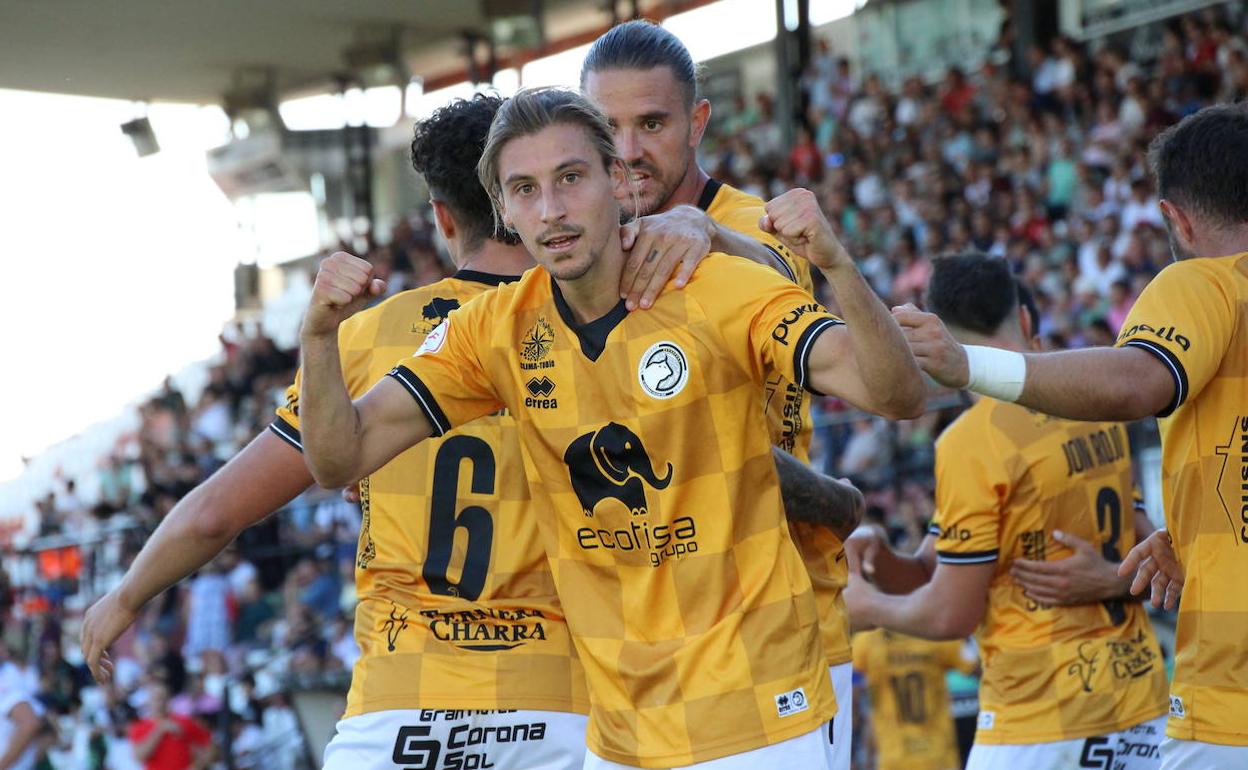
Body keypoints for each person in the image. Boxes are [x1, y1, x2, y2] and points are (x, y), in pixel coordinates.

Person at [81, 94, 861, 769]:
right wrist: (835, 497)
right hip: (569, 699)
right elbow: (731, 466)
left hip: (403, 701)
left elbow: (222, 509)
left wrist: (125, 596)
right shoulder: (615, 309)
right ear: (515, 198)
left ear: (443, 215)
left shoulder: (374, 339)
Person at [296, 87, 924, 768]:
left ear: (616, 181)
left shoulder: (712, 286)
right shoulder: (494, 330)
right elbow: (340, 459)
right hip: (619, 735)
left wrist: (833, 262)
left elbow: (893, 393)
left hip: (754, 707)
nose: (553, 210)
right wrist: (319, 335)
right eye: (525, 189)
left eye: (570, 179)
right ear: (503, 211)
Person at [893, 103, 1248, 769]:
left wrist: (968, 366)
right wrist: (1193, 547)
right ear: (1027, 317)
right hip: (1136, 698)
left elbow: (1138, 382)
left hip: (1181, 706)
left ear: (1175, 219)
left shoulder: (1203, 282)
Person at [581, 23, 860, 766]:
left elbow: (779, 265)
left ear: (697, 122)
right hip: (642, 655)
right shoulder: (586, 249)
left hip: (778, 635)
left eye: (652, 123)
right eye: (608, 128)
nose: (630, 150)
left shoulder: (746, 226)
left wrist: (706, 230)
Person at [846, 255, 1168, 769]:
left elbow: (952, 613)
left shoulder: (973, 441)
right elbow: (937, 572)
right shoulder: (1095, 407)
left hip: (1038, 719)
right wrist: (881, 560)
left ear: (938, 342)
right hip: (1139, 706)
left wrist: (866, 609)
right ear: (1023, 318)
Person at [851, 629, 977, 770]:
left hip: (894, 756)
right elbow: (976, 667)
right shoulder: (935, 632)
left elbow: (852, 699)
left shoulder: (867, 640)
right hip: (937, 755)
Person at [127, 682, 213, 770]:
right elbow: (138, 756)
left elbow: (210, 748)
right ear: (149, 700)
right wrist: (160, 730)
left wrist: (197, 766)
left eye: (163, 698)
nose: (160, 702)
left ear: (169, 699)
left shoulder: (184, 722)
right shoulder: (139, 726)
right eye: (156, 698)